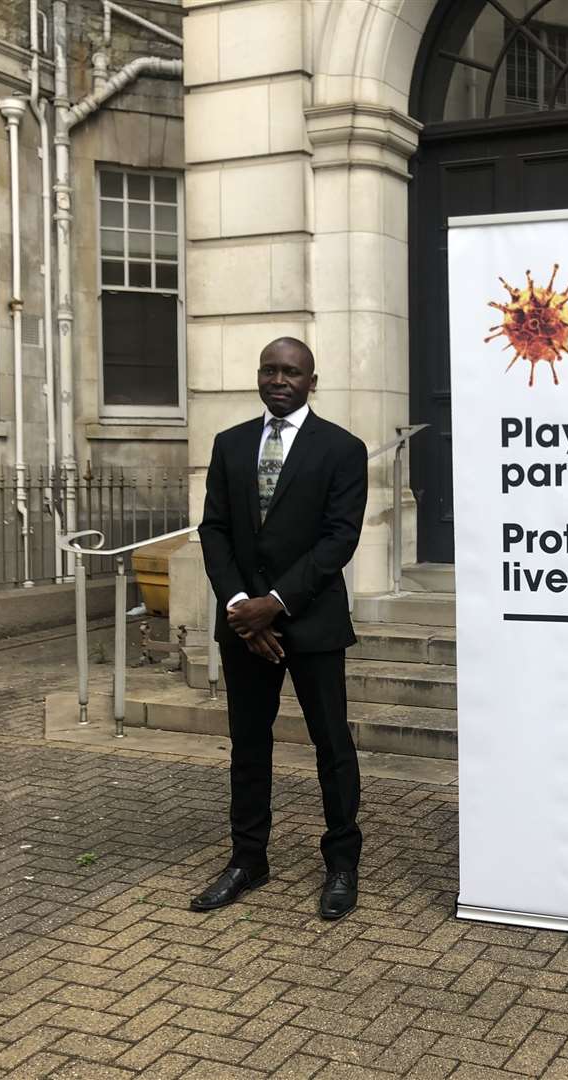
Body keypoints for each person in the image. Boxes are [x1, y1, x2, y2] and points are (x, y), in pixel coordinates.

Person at [192, 337, 368, 920]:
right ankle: (248, 860)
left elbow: (338, 539)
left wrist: (277, 602)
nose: (278, 379)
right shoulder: (230, 444)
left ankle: (342, 864)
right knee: (249, 743)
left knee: (331, 745)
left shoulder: (342, 449)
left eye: (291, 371)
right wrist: (243, 604)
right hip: (247, 626)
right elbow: (214, 530)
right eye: (269, 369)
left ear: (311, 381)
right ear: (258, 376)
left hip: (311, 621)